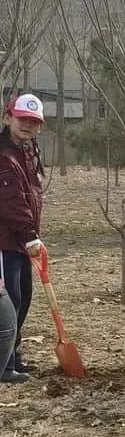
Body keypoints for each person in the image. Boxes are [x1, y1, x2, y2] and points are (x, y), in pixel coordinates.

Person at [0, 93, 46, 384]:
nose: (27, 126)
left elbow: (32, 196)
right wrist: (30, 235)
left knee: (24, 297)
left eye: (33, 122)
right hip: (5, 241)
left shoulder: (28, 151)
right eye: (21, 119)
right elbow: (11, 202)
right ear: (8, 119)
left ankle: (14, 356)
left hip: (22, 241)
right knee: (11, 301)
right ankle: (4, 366)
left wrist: (32, 236)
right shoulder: (3, 155)